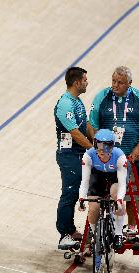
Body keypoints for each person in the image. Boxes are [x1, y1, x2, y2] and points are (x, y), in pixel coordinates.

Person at [87, 66, 139, 236]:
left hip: (132, 156)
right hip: (107, 156)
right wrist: (98, 146)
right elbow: (91, 123)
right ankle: (95, 228)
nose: (115, 85)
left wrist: (138, 148)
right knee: (99, 192)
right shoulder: (102, 96)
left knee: (133, 193)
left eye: (120, 82)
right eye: (113, 81)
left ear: (129, 84)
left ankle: (131, 228)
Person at [54, 67, 93, 250]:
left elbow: (85, 127)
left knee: (80, 191)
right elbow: (75, 133)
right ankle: (64, 234)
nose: (87, 82)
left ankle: (70, 228)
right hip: (69, 154)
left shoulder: (77, 101)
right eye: (85, 79)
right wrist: (93, 149)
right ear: (76, 82)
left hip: (79, 153)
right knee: (69, 192)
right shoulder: (65, 104)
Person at [78, 129, 128, 250]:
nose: (101, 150)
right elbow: (84, 182)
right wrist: (81, 199)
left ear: (112, 147)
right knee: (93, 208)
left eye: (105, 147)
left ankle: (118, 233)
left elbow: (122, 184)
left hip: (115, 177)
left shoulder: (120, 156)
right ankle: (95, 234)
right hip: (98, 176)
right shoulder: (88, 156)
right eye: (98, 146)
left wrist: (120, 200)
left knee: (117, 198)